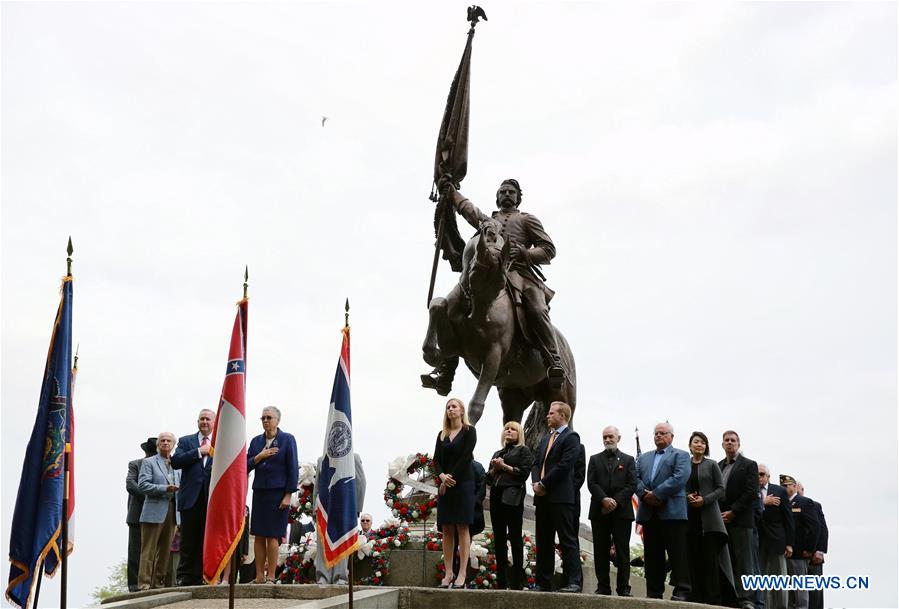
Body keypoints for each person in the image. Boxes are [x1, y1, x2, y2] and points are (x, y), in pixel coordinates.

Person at [422, 178, 565, 393]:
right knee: (453, 310)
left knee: (537, 307)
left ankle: (553, 359)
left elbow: (548, 249)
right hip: (488, 272)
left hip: (519, 274)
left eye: (511, 192)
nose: (506, 195)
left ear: (518, 198)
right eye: (502, 192)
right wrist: (451, 193)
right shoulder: (489, 223)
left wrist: (525, 253)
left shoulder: (527, 219)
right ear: (497, 197)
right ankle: (446, 372)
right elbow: (468, 209)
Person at [530, 401, 583, 593]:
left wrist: (545, 484)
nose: (547, 416)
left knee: (567, 540)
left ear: (562, 415)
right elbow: (536, 463)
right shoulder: (546, 439)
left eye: (551, 413)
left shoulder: (572, 437)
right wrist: (536, 483)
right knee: (543, 540)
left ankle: (574, 582)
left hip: (560, 497)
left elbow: (565, 465)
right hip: (542, 497)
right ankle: (543, 582)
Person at [635, 421, 691, 601]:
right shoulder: (643, 458)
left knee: (678, 554)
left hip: (672, 512)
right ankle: (653, 591)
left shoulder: (681, 455)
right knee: (652, 555)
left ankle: (682, 590)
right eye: (656, 433)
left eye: (662, 433)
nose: (658, 436)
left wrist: (657, 494)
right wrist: (645, 495)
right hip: (649, 512)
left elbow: (679, 478)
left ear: (671, 436)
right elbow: (634, 478)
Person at [247, 406, 299, 584]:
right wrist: (259, 456)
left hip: (278, 494)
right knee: (259, 535)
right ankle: (259, 575)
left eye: (269, 417)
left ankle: (271, 575)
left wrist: (288, 495)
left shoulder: (287, 439)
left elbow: (292, 468)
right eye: (262, 418)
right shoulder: (255, 442)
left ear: (278, 420)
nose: (265, 421)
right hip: (260, 492)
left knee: (272, 535)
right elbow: (245, 466)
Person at [684, 431, 736, 606]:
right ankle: (696, 596)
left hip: (710, 519)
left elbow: (721, 489)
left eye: (703, 443)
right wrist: (687, 497)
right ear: (690, 445)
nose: (699, 445)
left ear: (706, 447)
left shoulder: (712, 464)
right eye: (696, 442)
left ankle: (714, 599)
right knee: (693, 557)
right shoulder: (684, 464)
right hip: (690, 517)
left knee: (710, 560)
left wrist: (704, 500)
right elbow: (679, 486)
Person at [586, 425, 637, 597]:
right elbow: (591, 483)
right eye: (605, 437)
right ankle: (603, 587)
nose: (607, 439)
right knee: (600, 550)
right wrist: (604, 499)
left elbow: (632, 485)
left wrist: (615, 501)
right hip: (599, 511)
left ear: (618, 438)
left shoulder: (629, 460)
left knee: (622, 551)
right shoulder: (594, 459)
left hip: (621, 512)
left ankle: (623, 588)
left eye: (611, 437)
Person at [433, 397, 477, 589]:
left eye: (454, 406)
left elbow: (467, 456)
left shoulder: (469, 431)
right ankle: (448, 572)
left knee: (462, 527)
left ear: (461, 411)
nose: (451, 409)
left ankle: (462, 573)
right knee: (447, 529)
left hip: (463, 484)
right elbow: (436, 460)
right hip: (445, 485)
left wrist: (451, 477)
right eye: (448, 407)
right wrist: (442, 476)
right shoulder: (442, 434)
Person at [487, 421, 534, 590]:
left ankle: (516, 582)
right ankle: (501, 581)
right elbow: (488, 478)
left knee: (514, 537)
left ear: (519, 433)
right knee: (499, 538)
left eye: (513, 429)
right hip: (496, 496)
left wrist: (504, 466)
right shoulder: (497, 452)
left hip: (513, 497)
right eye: (506, 428)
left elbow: (523, 474)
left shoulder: (524, 451)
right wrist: (494, 469)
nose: (509, 430)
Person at [171, 409, 215, 586]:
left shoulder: (221, 441)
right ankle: (185, 577)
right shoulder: (186, 441)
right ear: (197, 422)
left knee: (207, 539)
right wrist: (199, 451)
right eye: (201, 419)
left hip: (211, 499)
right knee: (189, 540)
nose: (204, 422)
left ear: (214, 422)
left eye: (208, 419)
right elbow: (175, 461)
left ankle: (205, 576)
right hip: (190, 499)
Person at [718, 430, 760, 609]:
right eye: (726, 440)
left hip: (741, 521)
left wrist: (733, 512)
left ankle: (746, 599)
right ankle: (729, 598)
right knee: (726, 561)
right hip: (720, 521)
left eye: (733, 440)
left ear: (739, 444)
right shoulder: (718, 466)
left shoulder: (749, 465)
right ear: (722, 444)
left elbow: (751, 492)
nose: (730, 443)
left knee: (744, 563)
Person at [137, 432, 180, 590]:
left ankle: (158, 583)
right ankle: (144, 584)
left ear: (173, 444)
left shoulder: (177, 463)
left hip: (173, 510)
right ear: (158, 444)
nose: (166, 443)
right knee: (149, 550)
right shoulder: (149, 462)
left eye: (169, 441)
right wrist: (164, 488)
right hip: (154, 510)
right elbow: (143, 485)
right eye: (162, 440)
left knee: (165, 551)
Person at [314, 452, 365, 584]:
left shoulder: (353, 457)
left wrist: (357, 508)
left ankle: (340, 577)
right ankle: (322, 577)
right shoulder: (322, 459)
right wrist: (315, 508)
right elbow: (317, 486)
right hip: (325, 508)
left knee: (343, 540)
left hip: (345, 507)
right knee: (323, 543)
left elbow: (361, 482)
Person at [757, 464, 794, 609]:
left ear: (768, 476)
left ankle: (781, 606)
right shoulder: (752, 491)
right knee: (761, 577)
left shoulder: (779, 491)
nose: (759, 477)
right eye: (757, 474)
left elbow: (788, 518)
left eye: (761, 474)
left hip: (777, 539)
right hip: (758, 539)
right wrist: (763, 502)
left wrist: (789, 543)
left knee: (780, 577)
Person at [780, 474, 819, 609]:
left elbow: (815, 527)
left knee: (800, 587)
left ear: (795, 487)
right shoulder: (783, 503)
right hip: (784, 551)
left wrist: (809, 548)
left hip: (799, 551)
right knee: (789, 587)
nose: (784, 488)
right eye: (782, 486)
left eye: (787, 486)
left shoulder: (804, 502)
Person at [126, 437, 156, 592]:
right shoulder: (135, 464)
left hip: (158, 515)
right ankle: (133, 585)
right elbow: (131, 484)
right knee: (135, 552)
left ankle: (153, 583)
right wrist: (150, 495)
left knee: (154, 552)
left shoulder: (165, 465)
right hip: (137, 514)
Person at [798, 483, 828, 609]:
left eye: (798, 491)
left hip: (814, 555)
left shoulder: (814, 505)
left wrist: (820, 551)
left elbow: (823, 529)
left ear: (802, 490)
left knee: (815, 589)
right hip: (797, 554)